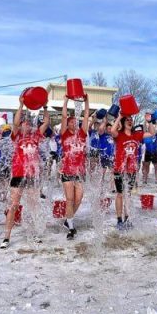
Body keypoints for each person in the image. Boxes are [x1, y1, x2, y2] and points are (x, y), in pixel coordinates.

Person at [0, 95, 50, 248]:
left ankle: (34, 233)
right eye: (25, 123)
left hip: (32, 175)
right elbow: (15, 123)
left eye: (29, 123)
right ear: (21, 126)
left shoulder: (36, 136)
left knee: (33, 204)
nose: (27, 126)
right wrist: (21, 105)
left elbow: (46, 122)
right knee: (14, 205)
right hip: (18, 174)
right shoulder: (16, 136)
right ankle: (6, 237)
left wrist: (45, 106)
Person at [59, 93, 90, 239]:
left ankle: (68, 219)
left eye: (74, 122)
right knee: (70, 199)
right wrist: (65, 101)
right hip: (67, 171)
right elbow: (64, 117)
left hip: (80, 172)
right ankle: (71, 228)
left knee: (79, 199)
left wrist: (87, 101)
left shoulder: (82, 134)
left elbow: (86, 117)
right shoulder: (64, 135)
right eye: (71, 122)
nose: (73, 123)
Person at [109, 109, 142, 230]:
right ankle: (119, 219)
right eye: (127, 120)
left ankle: (127, 218)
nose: (130, 121)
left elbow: (152, 133)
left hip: (132, 170)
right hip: (119, 169)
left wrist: (151, 122)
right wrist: (119, 117)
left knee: (128, 194)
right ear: (123, 123)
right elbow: (112, 130)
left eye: (131, 120)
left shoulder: (136, 135)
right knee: (120, 194)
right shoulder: (119, 135)